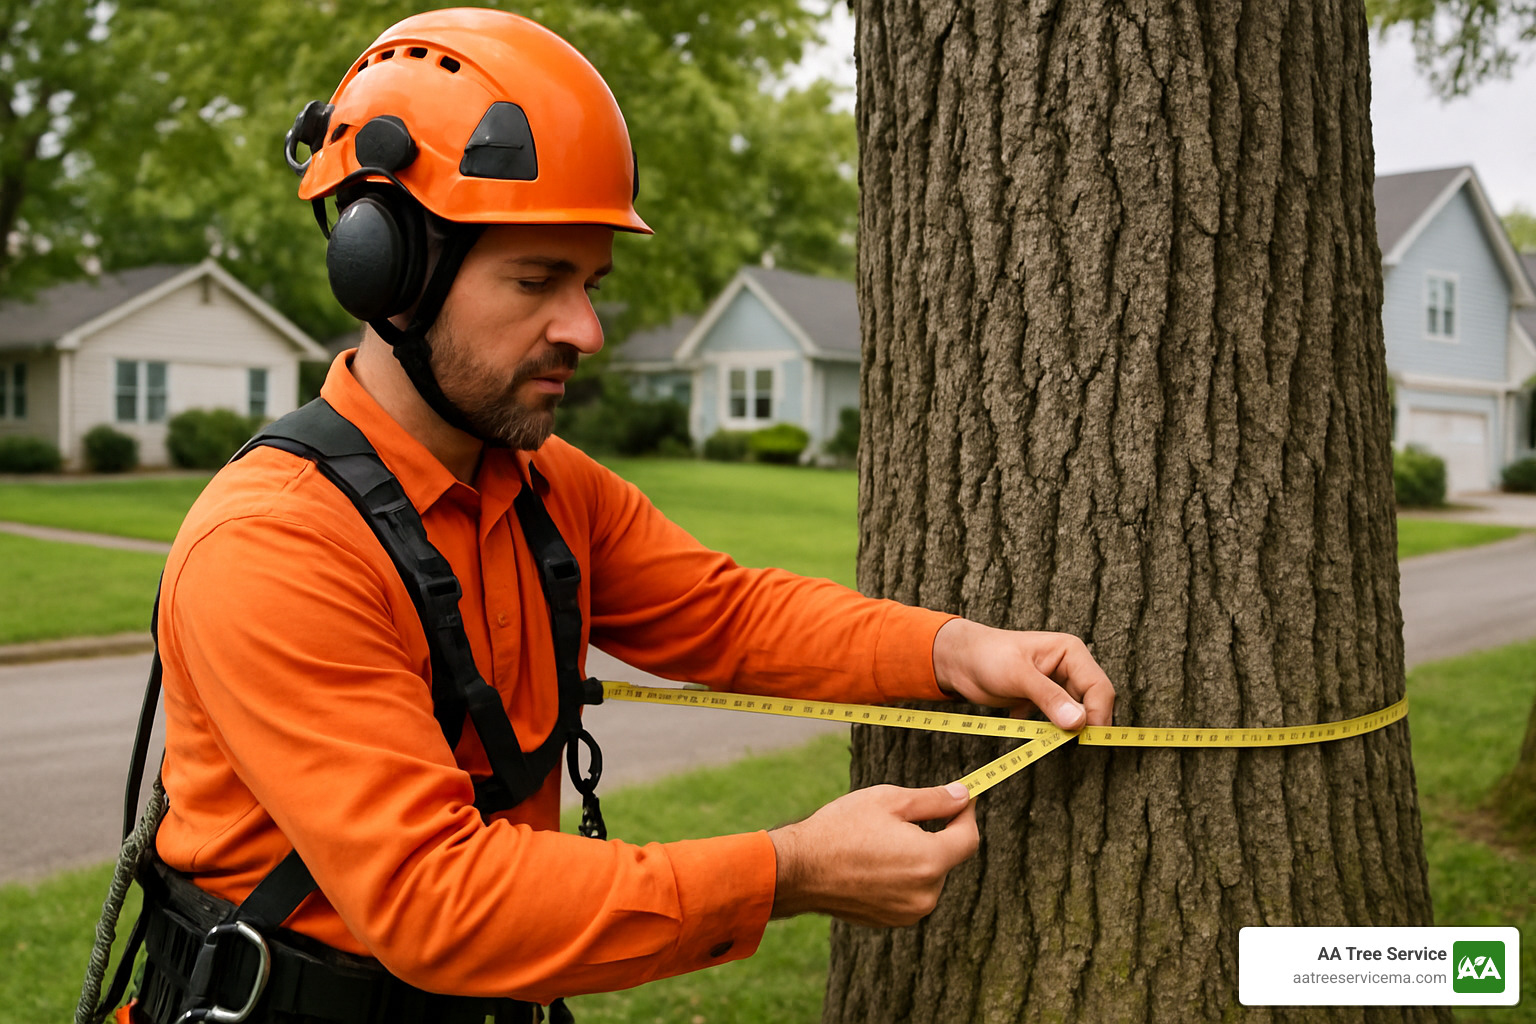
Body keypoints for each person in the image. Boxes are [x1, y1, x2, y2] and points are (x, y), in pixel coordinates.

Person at [128, 8, 1115, 1022]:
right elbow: (438, 901)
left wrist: (955, 651)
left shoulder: (547, 486)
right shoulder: (274, 544)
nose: (586, 329)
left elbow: (730, 615)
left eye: (591, 281)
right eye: (538, 279)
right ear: (390, 272)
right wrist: (787, 870)